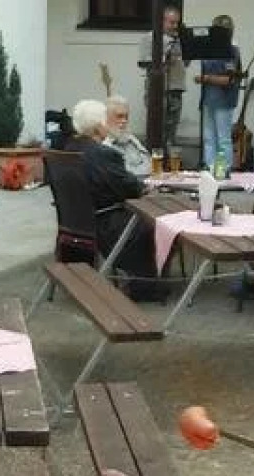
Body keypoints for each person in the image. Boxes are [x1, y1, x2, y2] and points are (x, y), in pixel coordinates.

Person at [66, 99, 165, 302]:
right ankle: (145, 287)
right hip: (108, 224)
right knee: (158, 222)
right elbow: (129, 188)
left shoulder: (69, 148)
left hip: (77, 222)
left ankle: (145, 281)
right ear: (98, 126)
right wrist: (145, 188)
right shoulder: (102, 155)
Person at [140, 4, 186, 161]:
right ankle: (152, 163)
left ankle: (168, 164)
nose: (174, 26)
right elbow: (144, 62)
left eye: (176, 23)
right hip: (157, 90)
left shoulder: (180, 40)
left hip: (176, 89)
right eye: (171, 22)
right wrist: (166, 51)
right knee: (156, 129)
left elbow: (185, 63)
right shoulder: (149, 38)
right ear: (161, 22)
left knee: (171, 130)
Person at [195, 15, 241, 174]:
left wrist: (205, 78)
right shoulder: (208, 50)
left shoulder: (231, 50)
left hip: (224, 100)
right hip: (208, 98)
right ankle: (209, 167)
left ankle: (224, 170)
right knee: (208, 137)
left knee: (223, 138)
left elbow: (228, 79)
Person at [104, 96, 154, 177]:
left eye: (126, 117)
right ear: (106, 118)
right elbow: (122, 174)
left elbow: (150, 164)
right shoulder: (104, 145)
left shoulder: (132, 139)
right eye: (119, 116)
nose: (124, 121)